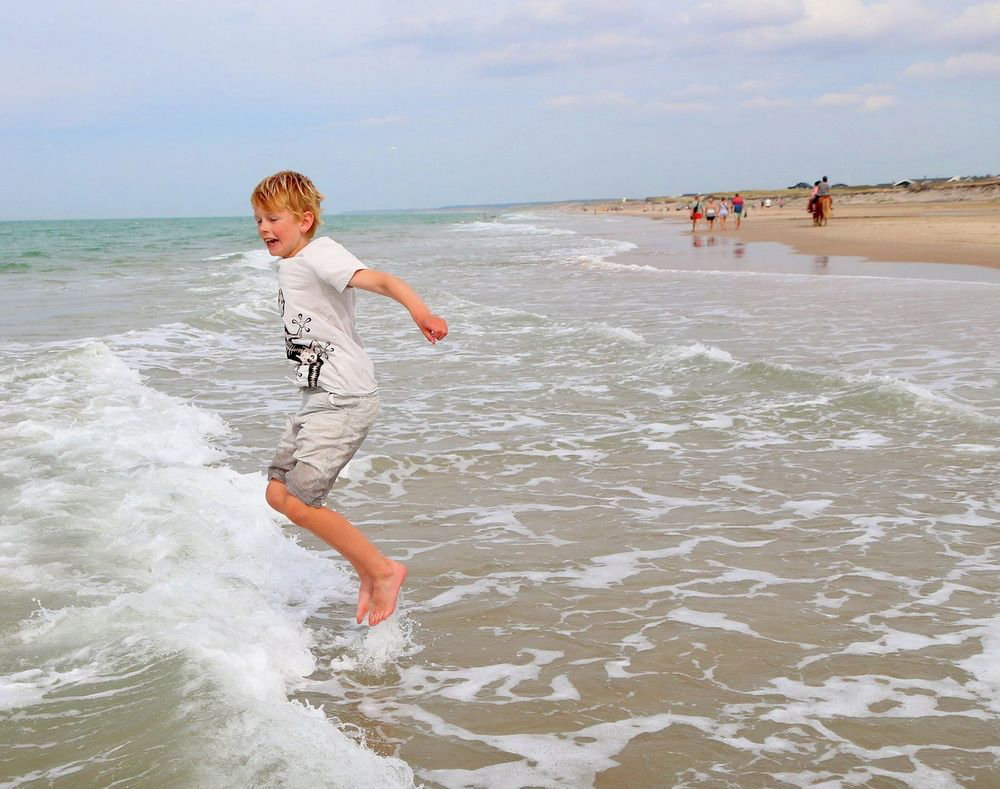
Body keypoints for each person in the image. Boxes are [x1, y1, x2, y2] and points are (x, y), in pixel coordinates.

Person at [251, 171, 448, 627]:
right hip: (317, 395)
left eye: (273, 218)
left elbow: (380, 280)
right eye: (259, 219)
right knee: (277, 494)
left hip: (344, 396)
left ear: (304, 220)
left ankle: (384, 570)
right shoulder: (292, 263)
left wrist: (420, 311)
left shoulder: (321, 253)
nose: (264, 228)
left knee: (299, 503)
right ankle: (368, 570)